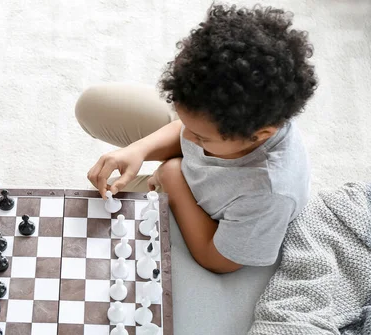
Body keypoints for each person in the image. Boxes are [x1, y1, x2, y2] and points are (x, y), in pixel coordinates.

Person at [77, 5, 317, 273]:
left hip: (199, 207)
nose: (187, 138)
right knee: (91, 106)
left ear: (259, 135)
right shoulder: (236, 117)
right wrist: (138, 150)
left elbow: (219, 261)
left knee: (101, 212)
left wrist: (172, 176)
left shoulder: (269, 195)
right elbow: (187, 129)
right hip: (204, 153)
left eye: (200, 137)